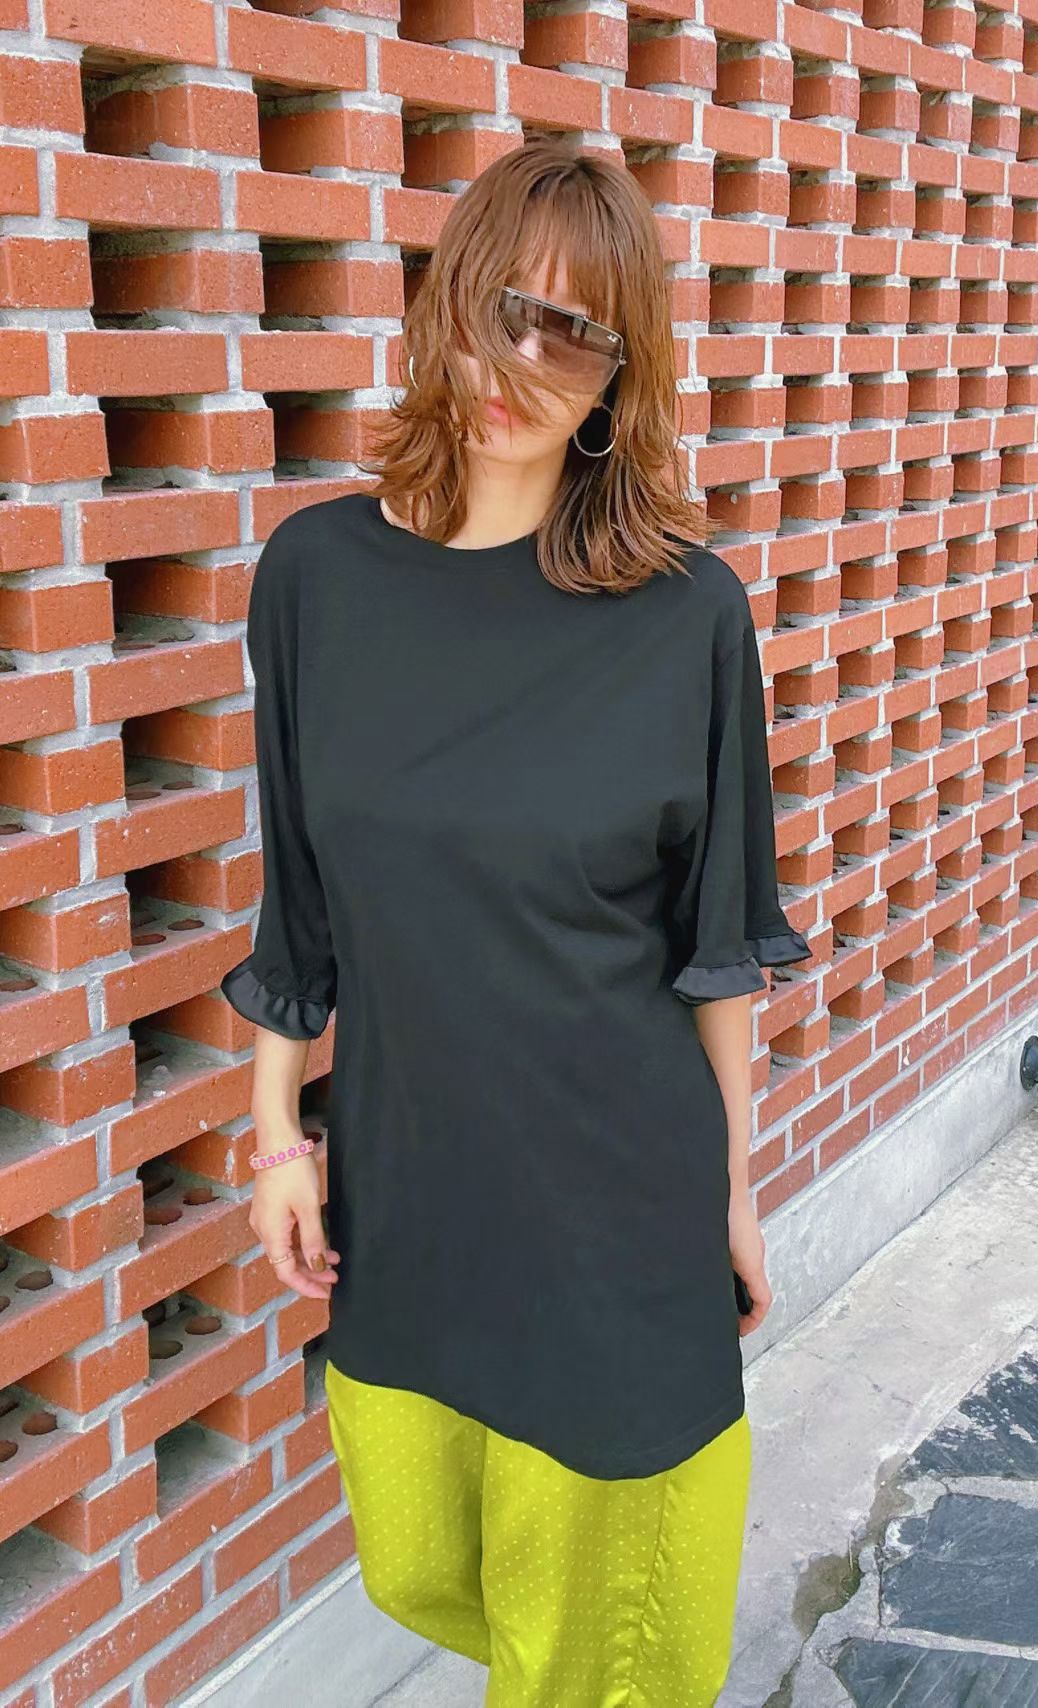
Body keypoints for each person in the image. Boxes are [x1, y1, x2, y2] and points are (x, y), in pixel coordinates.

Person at [219, 135, 811, 1707]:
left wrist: (732, 1191)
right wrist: (277, 1133)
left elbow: (716, 946)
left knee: (600, 1657)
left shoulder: (685, 613)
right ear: (442, 306)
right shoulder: (316, 576)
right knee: (422, 1561)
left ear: (622, 375)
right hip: (412, 1189)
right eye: (499, 308)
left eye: (575, 332)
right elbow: (299, 901)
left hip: (616, 1208)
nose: (522, 363)